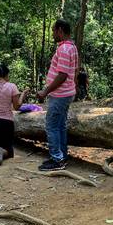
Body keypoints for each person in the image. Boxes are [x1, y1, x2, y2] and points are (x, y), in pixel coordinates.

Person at [37, 19, 79, 171]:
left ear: (60, 30)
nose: (53, 34)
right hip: (66, 93)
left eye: (54, 30)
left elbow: (62, 75)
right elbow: (74, 70)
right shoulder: (71, 46)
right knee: (60, 125)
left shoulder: (64, 49)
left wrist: (45, 91)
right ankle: (62, 155)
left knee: (52, 126)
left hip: (60, 95)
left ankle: (57, 159)